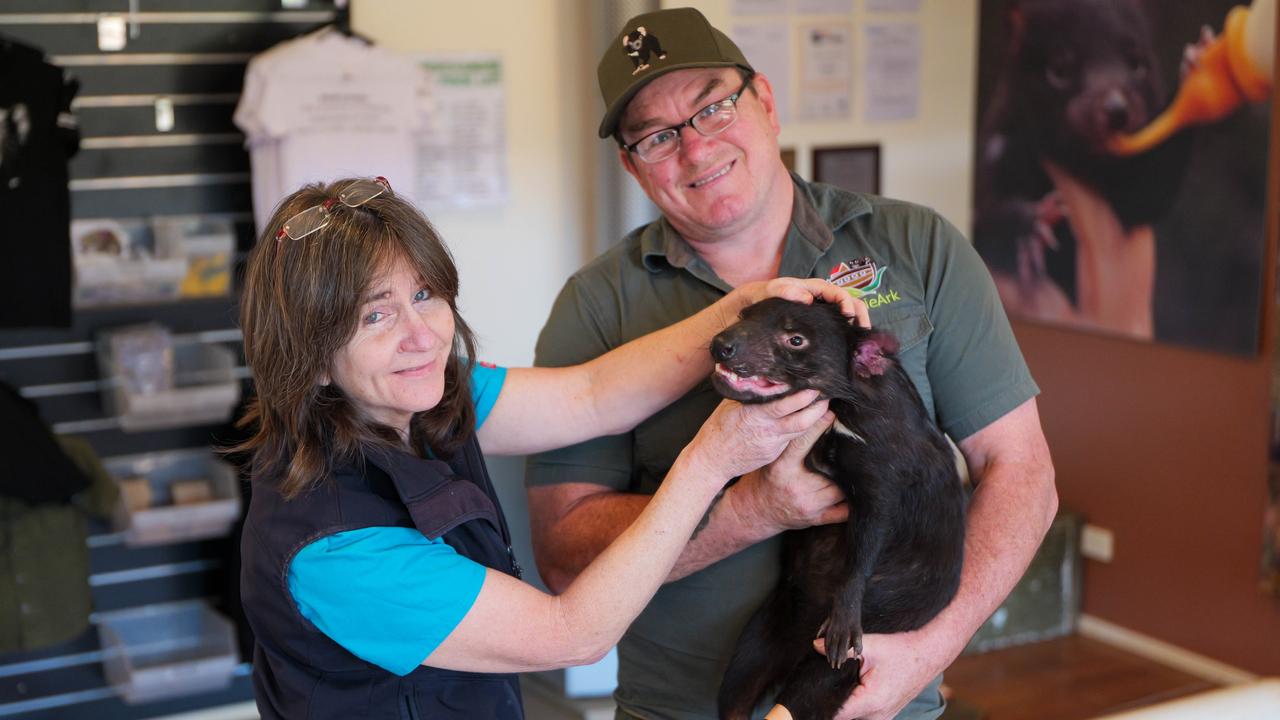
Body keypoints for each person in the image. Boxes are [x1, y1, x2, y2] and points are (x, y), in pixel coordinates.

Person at [525, 7, 1058, 720]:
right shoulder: (598, 305)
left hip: (883, 705)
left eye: (712, 106)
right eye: (656, 136)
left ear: (766, 102)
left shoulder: (917, 245)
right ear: (631, 164)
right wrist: (747, 512)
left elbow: (1021, 471)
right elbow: (564, 556)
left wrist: (932, 648)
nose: (694, 148)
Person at [233, 175, 865, 720]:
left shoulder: (421, 398)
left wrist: (742, 306)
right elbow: (574, 635)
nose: (422, 336)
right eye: (376, 316)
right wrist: (713, 461)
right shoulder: (337, 550)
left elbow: (591, 395)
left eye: (424, 294)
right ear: (311, 357)